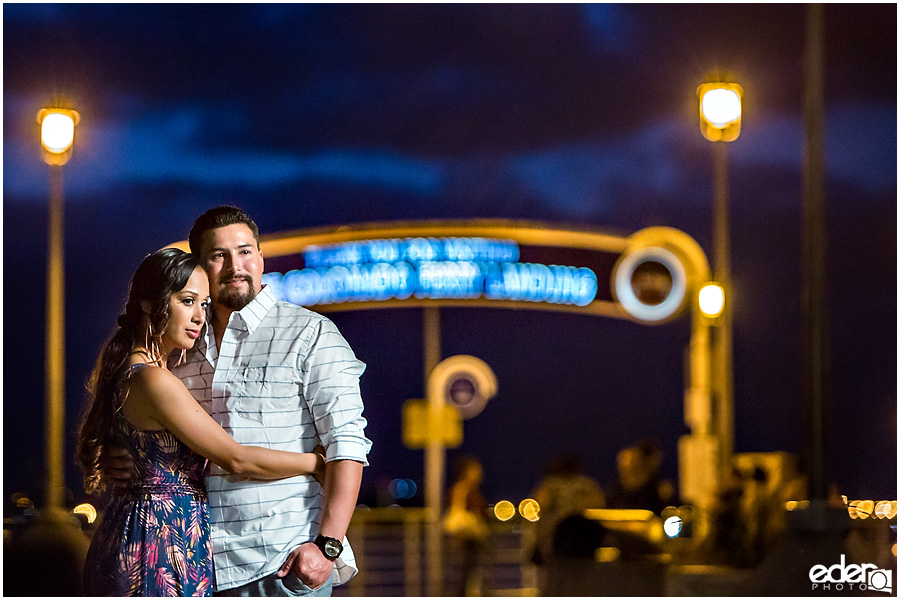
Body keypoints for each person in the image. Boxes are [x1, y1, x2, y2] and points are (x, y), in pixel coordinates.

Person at [108, 206, 371, 596]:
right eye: (219, 255)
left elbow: (347, 445)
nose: (236, 265)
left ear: (261, 258)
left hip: (282, 563)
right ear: (199, 267)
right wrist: (128, 459)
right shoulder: (181, 345)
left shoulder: (311, 334)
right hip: (193, 564)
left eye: (245, 251)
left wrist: (326, 548)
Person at [77, 248, 326, 596]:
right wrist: (316, 463)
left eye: (204, 305)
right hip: (159, 546)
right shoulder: (155, 381)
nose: (199, 317)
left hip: (140, 533)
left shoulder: (132, 372)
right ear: (150, 303)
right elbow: (236, 458)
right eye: (187, 301)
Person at [442, 455, 490, 596]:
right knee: (464, 577)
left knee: (469, 577)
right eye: (475, 469)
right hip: (464, 540)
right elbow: (458, 512)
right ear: (466, 472)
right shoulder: (462, 488)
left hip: (471, 540)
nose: (479, 473)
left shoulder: (472, 489)